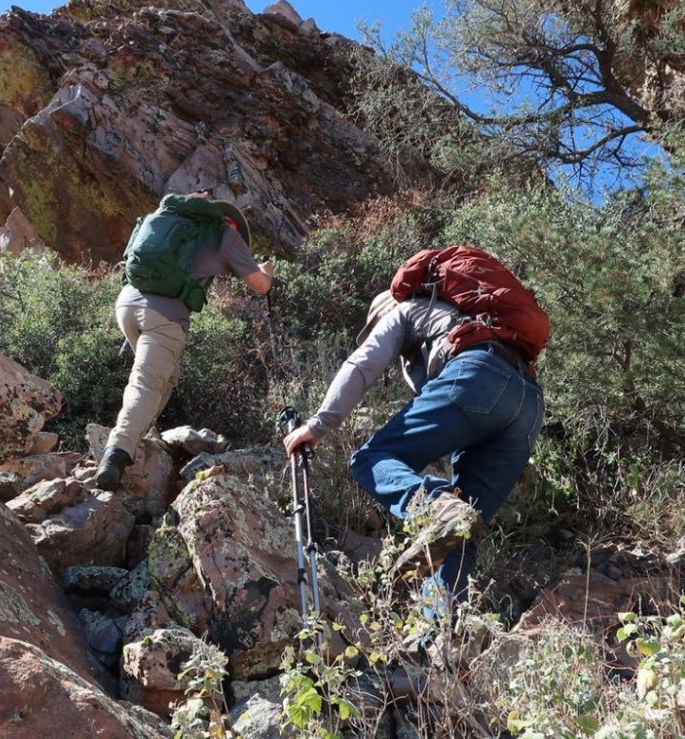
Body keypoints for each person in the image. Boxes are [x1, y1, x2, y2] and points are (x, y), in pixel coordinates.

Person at [282, 288, 544, 618]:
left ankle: (435, 508)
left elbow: (363, 364)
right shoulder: (460, 325)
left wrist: (318, 425)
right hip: (530, 405)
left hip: (479, 375)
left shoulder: (404, 311)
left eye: (374, 325)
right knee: (460, 535)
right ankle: (440, 648)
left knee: (370, 458)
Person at [96, 191, 273, 490]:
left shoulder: (170, 218)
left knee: (165, 379)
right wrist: (267, 273)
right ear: (233, 224)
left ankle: (138, 440)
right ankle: (116, 455)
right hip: (164, 317)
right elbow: (259, 285)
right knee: (147, 384)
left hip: (127, 304)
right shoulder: (226, 236)